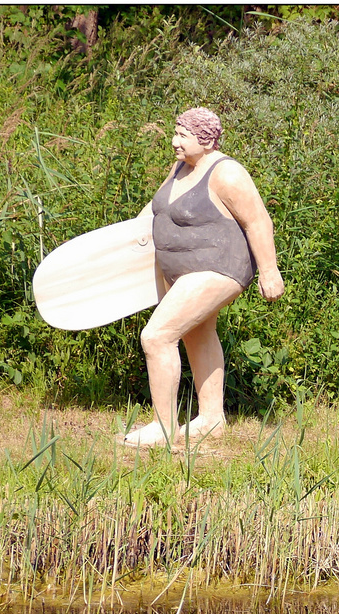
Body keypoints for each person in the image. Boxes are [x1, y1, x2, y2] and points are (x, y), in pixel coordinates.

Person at [120, 107, 285, 448]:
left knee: (157, 336)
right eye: (175, 132)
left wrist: (270, 272)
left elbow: (258, 221)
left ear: (206, 140)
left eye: (182, 135)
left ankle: (163, 428)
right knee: (198, 334)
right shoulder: (180, 168)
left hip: (218, 267)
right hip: (179, 271)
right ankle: (211, 419)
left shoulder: (227, 173)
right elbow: (156, 210)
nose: (173, 141)